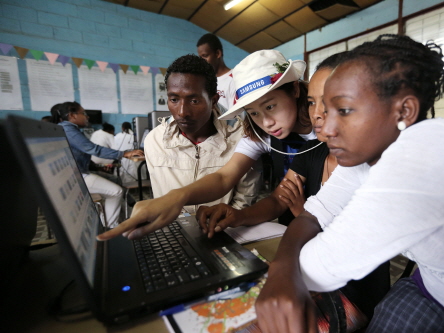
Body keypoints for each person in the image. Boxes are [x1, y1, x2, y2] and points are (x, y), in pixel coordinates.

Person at [254, 34, 444, 333]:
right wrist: (282, 269)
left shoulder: (428, 164)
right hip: (431, 285)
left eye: (343, 110)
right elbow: (312, 215)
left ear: (404, 111)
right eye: (322, 109)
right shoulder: (369, 156)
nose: (327, 127)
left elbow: (325, 265)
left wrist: (282, 272)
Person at [196, 54, 390, 329]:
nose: (319, 115)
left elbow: (356, 240)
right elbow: (279, 199)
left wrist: (301, 211)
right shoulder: (313, 154)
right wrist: (239, 217)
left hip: (352, 289)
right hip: (310, 266)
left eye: (338, 104)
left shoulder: (372, 165)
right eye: (313, 103)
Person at [97, 49, 316, 241]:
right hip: (298, 223)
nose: (267, 122)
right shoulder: (258, 133)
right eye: (254, 113)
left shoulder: (326, 132)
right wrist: (178, 197)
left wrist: (305, 215)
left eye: (270, 106)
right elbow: (229, 179)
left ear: (295, 90)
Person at [143, 54, 261, 214]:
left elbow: (243, 202)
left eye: (194, 101)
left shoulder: (241, 139)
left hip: (223, 231)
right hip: (172, 231)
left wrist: (223, 222)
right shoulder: (155, 141)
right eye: (174, 99)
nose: (182, 112)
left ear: (213, 100)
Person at [51, 102, 144, 228]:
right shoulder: (68, 129)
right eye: (83, 113)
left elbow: (79, 154)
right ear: (72, 115)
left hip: (79, 171)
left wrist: (97, 166)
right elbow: (94, 150)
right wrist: (125, 153)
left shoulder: (67, 128)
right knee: (116, 191)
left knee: (115, 180)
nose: (87, 116)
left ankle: (128, 215)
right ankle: (110, 227)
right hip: (77, 176)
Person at [197, 33, 236, 111]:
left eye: (205, 56)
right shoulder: (205, 81)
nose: (202, 61)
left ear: (218, 53)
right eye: (200, 57)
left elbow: (237, 117)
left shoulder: (234, 78)